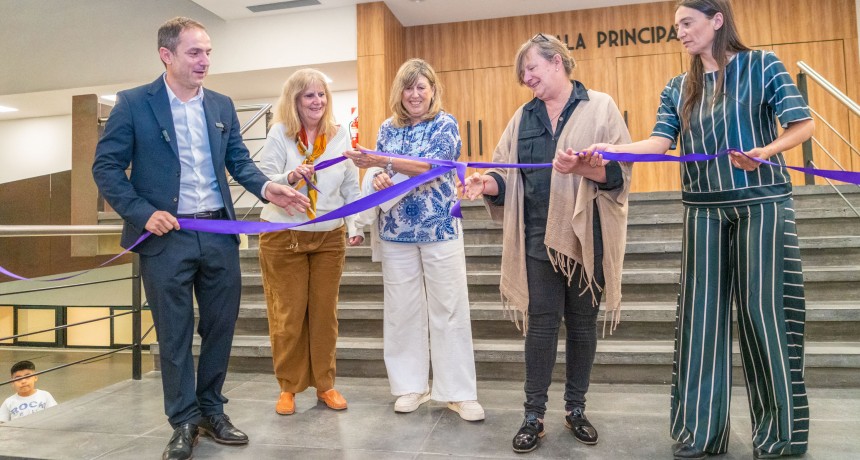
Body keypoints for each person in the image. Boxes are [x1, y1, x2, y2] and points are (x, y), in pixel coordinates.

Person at [580, 1, 815, 459]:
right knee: (699, 322)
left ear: (717, 20)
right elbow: (659, 145)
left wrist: (766, 150)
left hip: (762, 205)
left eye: (687, 23)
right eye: (676, 27)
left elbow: (803, 125)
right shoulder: (677, 88)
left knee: (765, 318)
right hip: (702, 209)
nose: (681, 33)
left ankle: (781, 439)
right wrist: (610, 150)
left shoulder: (762, 64)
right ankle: (700, 434)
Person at [91, 17, 309, 460]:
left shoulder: (222, 106)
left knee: (220, 328)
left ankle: (211, 410)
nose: (205, 61)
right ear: (166, 56)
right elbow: (106, 169)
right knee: (173, 334)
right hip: (164, 237)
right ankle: (183, 419)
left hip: (217, 233)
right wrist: (143, 213)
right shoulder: (133, 104)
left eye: (208, 52)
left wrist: (270, 188)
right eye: (195, 52)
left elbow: (239, 163)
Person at [462, 34, 632, 453]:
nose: (526, 77)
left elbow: (621, 173)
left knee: (581, 327)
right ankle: (532, 415)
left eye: (532, 68)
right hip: (536, 237)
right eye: (523, 73)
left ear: (557, 62)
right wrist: (485, 183)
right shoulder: (523, 116)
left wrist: (584, 169)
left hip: (585, 239)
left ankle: (575, 409)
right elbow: (505, 174)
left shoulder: (601, 106)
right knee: (540, 327)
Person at [344, 58, 484, 422]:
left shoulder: (445, 123)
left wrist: (381, 161)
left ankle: (458, 392)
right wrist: (376, 176)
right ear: (399, 92)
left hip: (439, 228)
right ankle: (410, 386)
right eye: (409, 87)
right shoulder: (388, 128)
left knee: (449, 308)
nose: (415, 94)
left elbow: (433, 166)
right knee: (401, 309)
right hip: (395, 232)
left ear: (433, 90)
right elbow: (380, 170)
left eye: (422, 86)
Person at [257, 69, 363, 416]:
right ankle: (288, 387)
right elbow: (263, 177)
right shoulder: (279, 134)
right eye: (309, 96)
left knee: (324, 316)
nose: (317, 101)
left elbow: (349, 185)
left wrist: (354, 225)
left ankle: (325, 385)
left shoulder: (339, 136)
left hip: (329, 237)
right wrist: (289, 177)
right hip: (282, 235)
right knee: (288, 316)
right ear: (295, 101)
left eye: (321, 95)